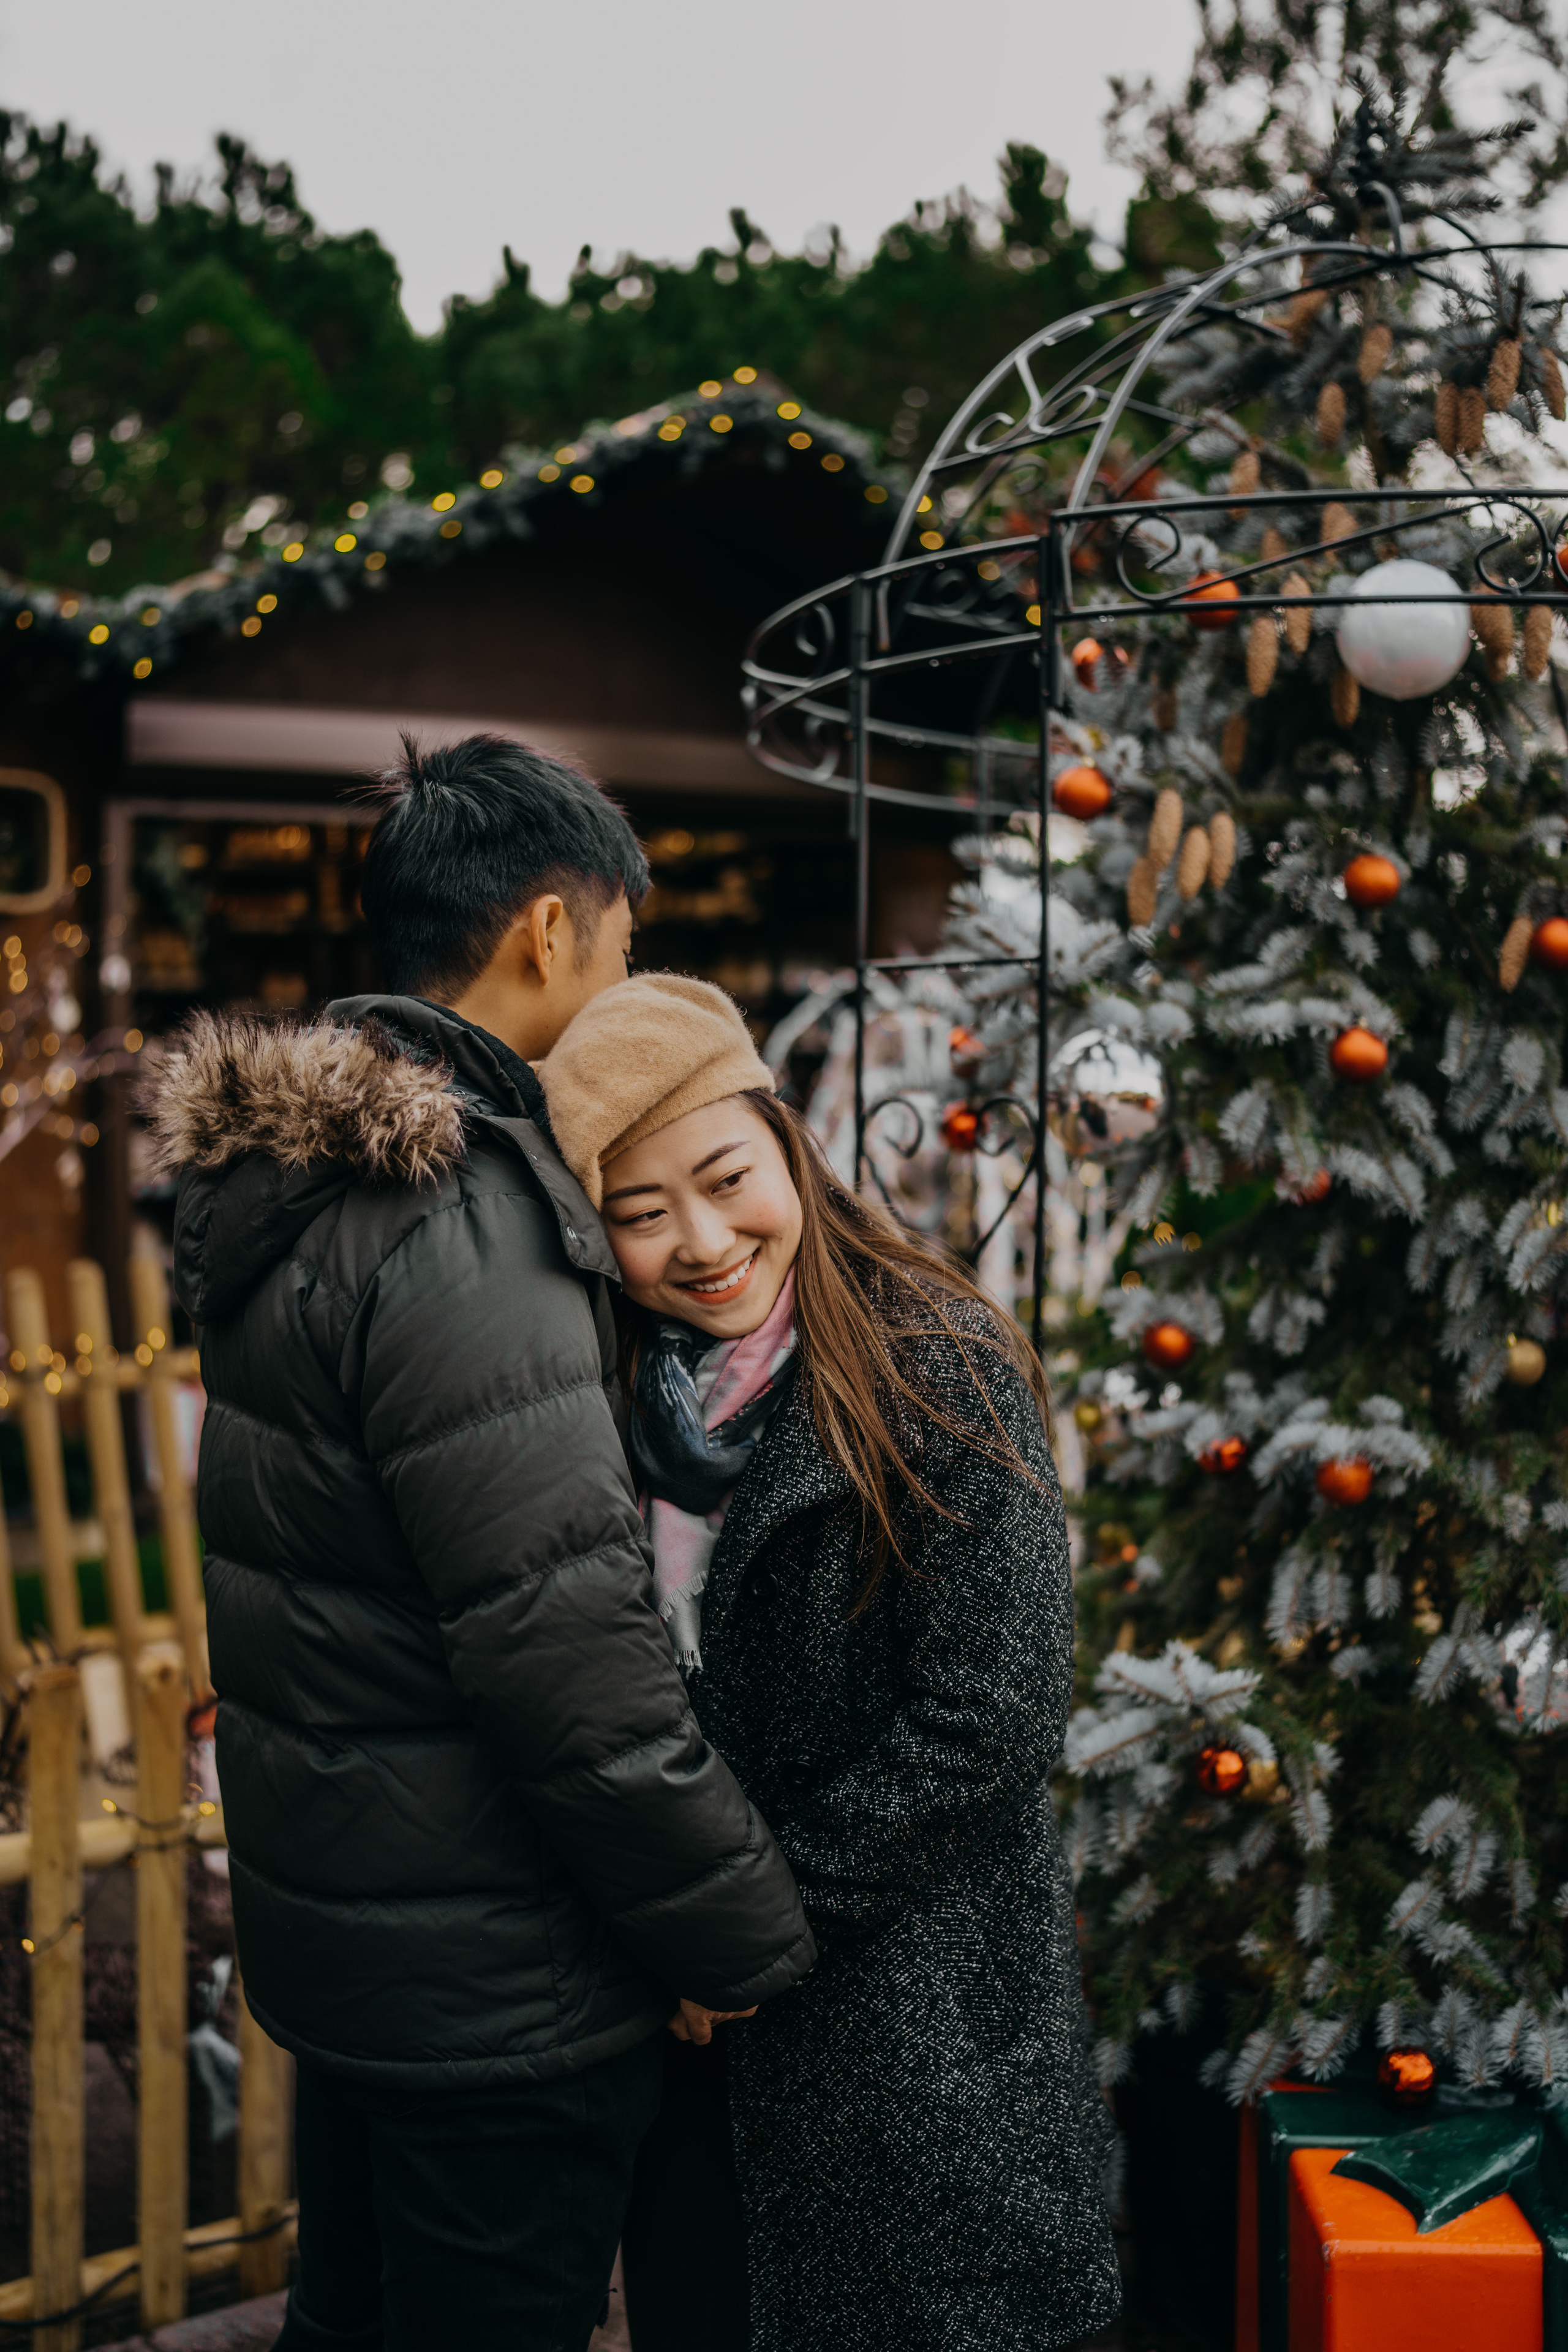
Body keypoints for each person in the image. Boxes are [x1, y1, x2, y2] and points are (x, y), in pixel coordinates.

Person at [148, 740, 814, 2352]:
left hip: (364, 1944)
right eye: (623, 943)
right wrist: (738, 1934)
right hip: (500, 1992)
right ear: (546, 929)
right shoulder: (462, 1215)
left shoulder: (304, 1185)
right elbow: (561, 1652)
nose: (618, 979)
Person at [536, 972, 1123, 2352]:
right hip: (698, 2054)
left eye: (725, 1176)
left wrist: (750, 1930)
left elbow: (990, 1721)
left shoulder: (935, 1366)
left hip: (911, 2035)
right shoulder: (609, 1399)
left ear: (783, 1140)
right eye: (638, 1213)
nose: (700, 1241)